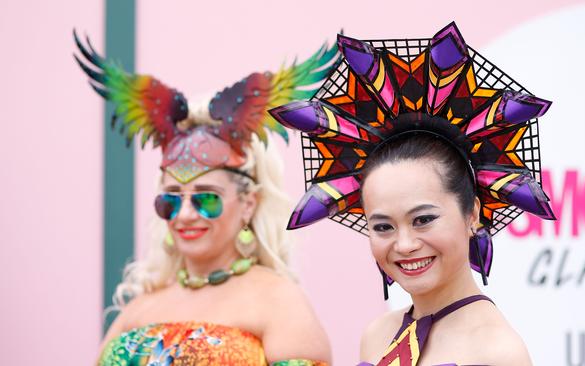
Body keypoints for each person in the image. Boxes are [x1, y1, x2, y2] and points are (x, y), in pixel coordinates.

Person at [269, 22, 555, 365]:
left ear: (472, 214)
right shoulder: (377, 334)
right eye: (383, 226)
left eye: (423, 219)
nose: (404, 244)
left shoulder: (497, 352)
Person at [74, 30, 336, 365]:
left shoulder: (279, 301)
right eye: (169, 201)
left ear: (248, 204)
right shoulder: (141, 305)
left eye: (206, 199)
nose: (183, 215)